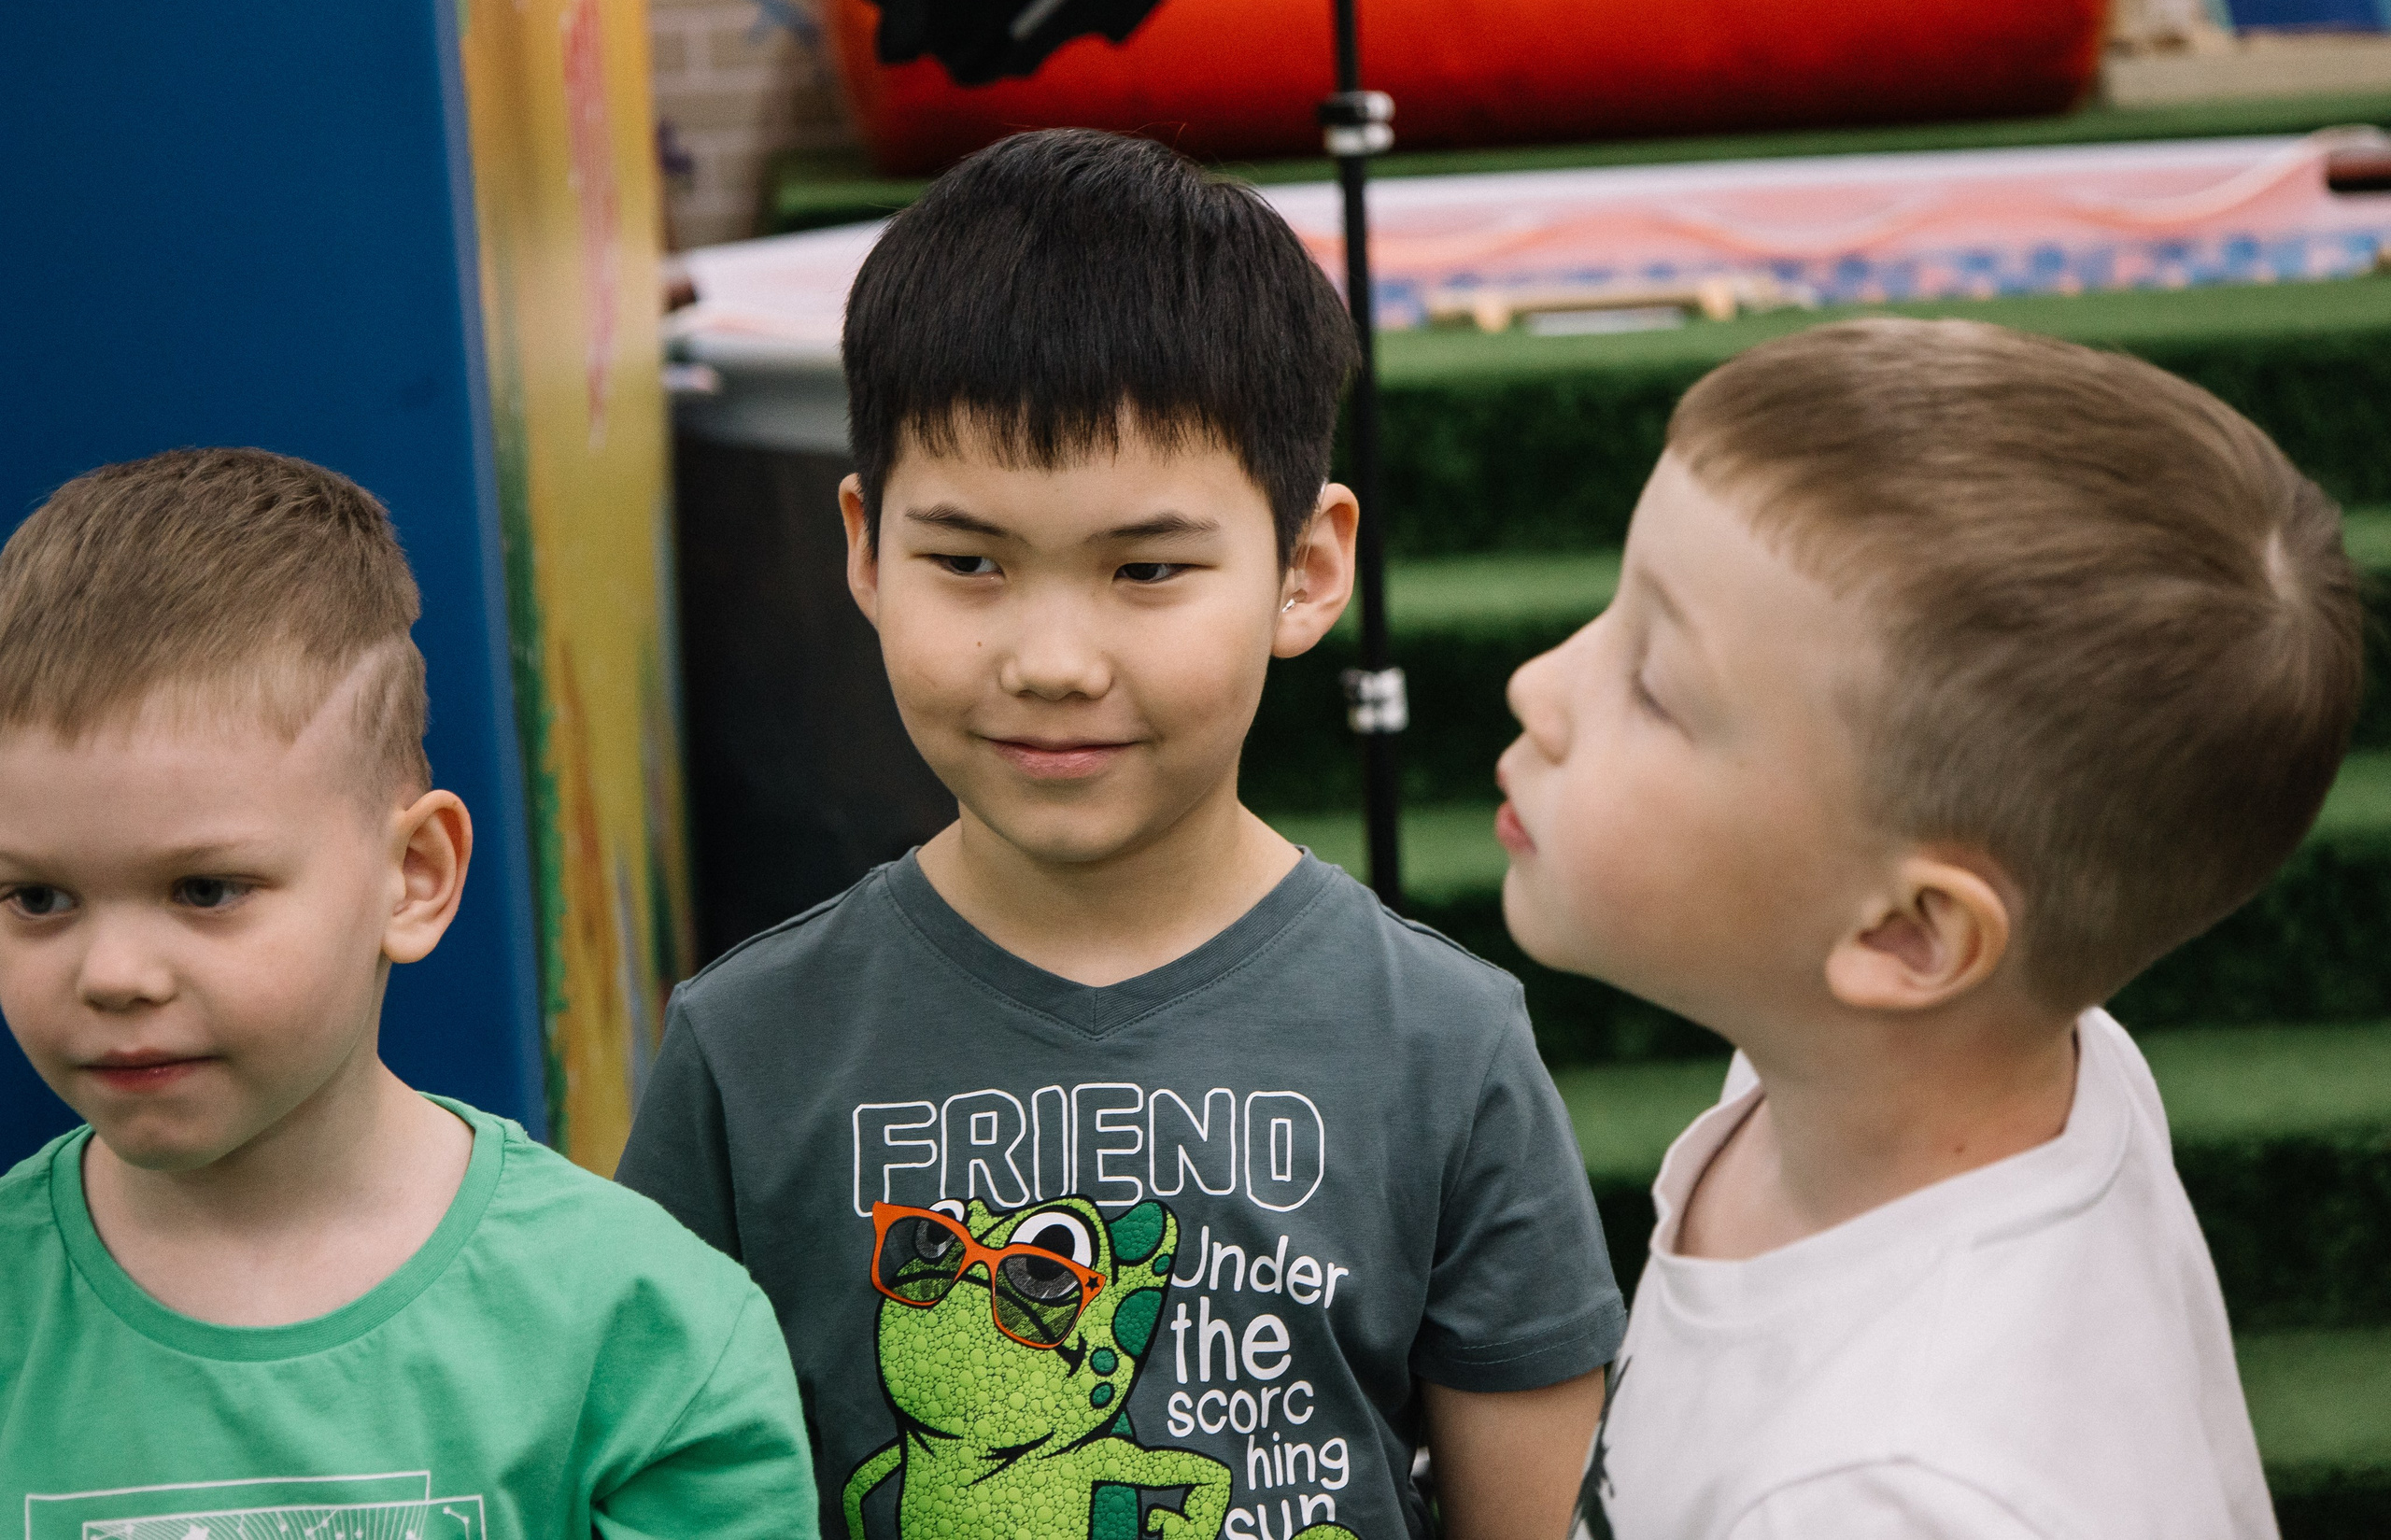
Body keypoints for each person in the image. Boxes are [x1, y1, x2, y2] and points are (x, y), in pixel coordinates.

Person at [615, 128, 1624, 1540]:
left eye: (1146, 568)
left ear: (1306, 567)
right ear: (864, 547)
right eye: (968, 561)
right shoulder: (749, 1051)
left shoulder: (1443, 1046)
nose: (1052, 661)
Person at [1494, 318, 2363, 1539]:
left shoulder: (1884, 1497)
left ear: (1909, 938)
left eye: (1655, 686)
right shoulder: (1908, 1073)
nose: (1538, 683)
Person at [0, 449, 818, 1539]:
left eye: (204, 890)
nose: (113, 976)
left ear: (414, 877)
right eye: (37, 898)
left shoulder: (641, 1327)